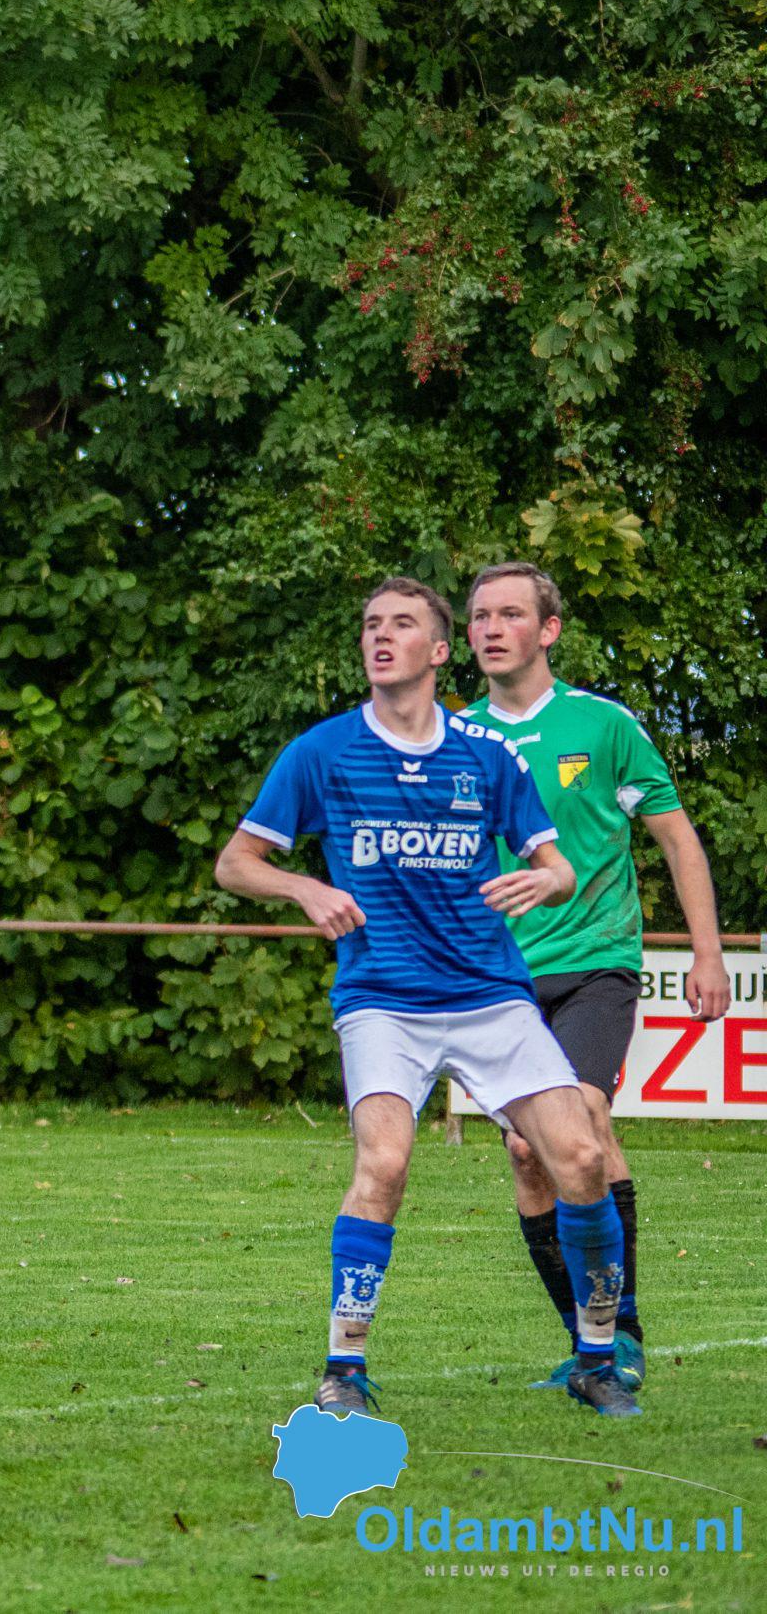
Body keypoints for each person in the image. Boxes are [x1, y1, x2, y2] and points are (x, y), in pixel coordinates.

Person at [214, 576, 640, 1420]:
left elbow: (557, 867)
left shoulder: (486, 757)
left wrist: (544, 882)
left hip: (490, 996)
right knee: (384, 1163)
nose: (381, 636)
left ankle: (598, 1357)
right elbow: (236, 862)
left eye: (402, 624)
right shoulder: (323, 752)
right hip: (382, 1000)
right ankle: (344, 1369)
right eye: (371, 624)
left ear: (439, 651)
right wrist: (304, 887)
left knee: (582, 1157)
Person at [460, 561, 731, 1394]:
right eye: (479, 615)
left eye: (511, 614)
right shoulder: (454, 738)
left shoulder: (604, 725)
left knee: (580, 1122)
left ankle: (624, 1337)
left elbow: (677, 840)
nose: (491, 628)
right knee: (525, 1153)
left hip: (594, 964)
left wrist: (707, 953)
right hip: (498, 980)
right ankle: (589, 1343)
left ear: (548, 630)